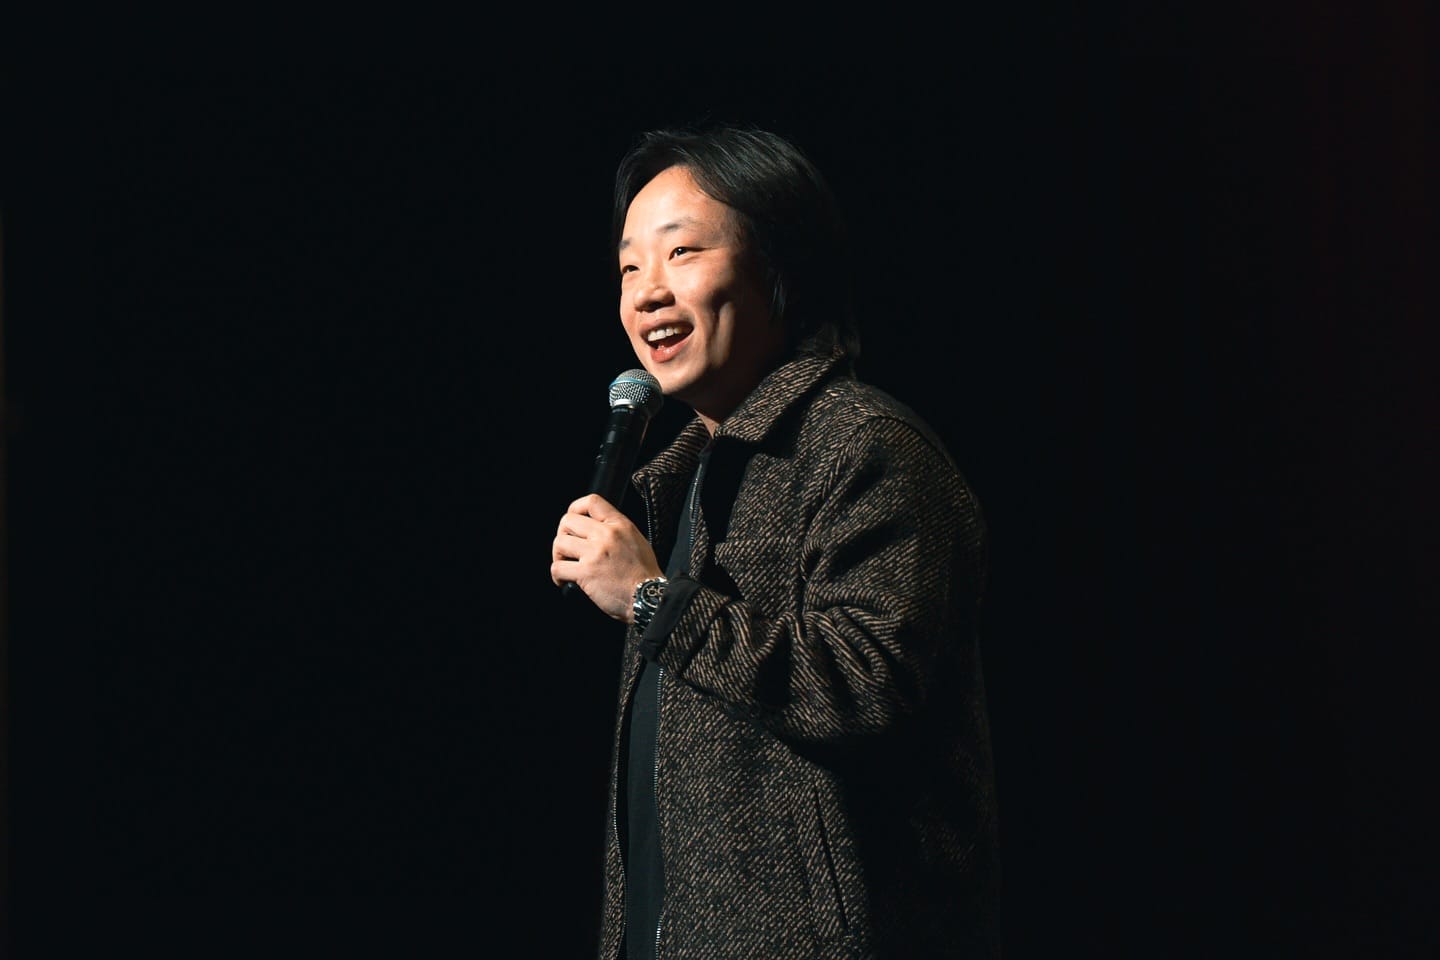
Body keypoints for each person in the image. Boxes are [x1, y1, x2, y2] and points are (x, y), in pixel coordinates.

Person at [550, 122, 1000, 959]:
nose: (647, 292)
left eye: (681, 253)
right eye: (628, 268)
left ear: (781, 267)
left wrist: (653, 601)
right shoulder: (685, 481)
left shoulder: (865, 447)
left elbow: (865, 689)